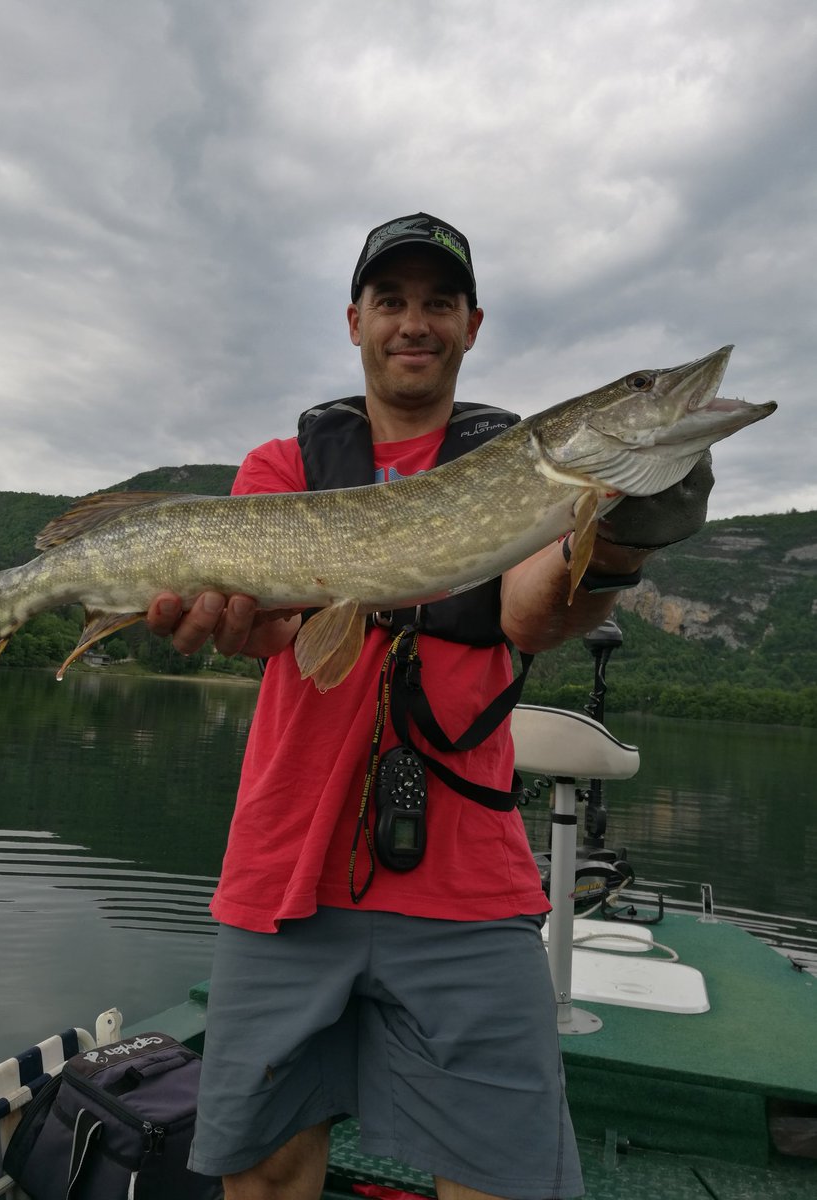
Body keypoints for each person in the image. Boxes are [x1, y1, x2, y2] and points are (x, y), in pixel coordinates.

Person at [147, 213, 713, 1200]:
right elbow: (268, 630)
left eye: (439, 303)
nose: (415, 322)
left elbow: (534, 613)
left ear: (472, 325)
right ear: (355, 322)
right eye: (392, 301)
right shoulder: (283, 466)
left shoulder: (530, 472)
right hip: (285, 870)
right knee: (265, 1172)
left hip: (468, 883)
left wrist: (622, 539)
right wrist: (231, 620)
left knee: (504, 1180)